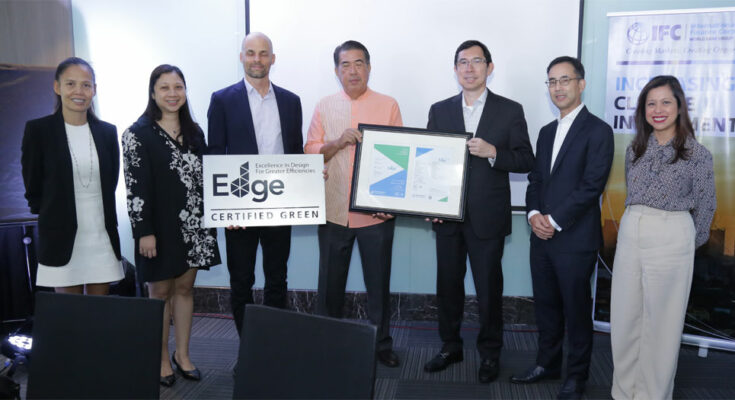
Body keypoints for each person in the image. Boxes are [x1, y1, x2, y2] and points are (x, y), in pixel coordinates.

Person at [422, 40, 534, 383]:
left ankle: (489, 354)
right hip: (447, 217)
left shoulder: (510, 110)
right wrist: (428, 202)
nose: (469, 68)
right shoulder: (439, 110)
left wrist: (493, 152)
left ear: (489, 67)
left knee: (488, 290)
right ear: (455, 69)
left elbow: (526, 160)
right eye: (462, 62)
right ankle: (450, 346)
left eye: (476, 61)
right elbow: (429, 162)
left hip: (488, 217)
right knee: (448, 286)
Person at [512, 56, 614, 400]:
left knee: (576, 310)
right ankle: (547, 364)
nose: (558, 87)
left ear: (581, 84)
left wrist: (553, 221)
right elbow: (536, 179)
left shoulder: (599, 130)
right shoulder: (546, 132)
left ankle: (576, 376)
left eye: (565, 80)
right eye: (552, 81)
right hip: (541, 237)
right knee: (546, 306)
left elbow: (591, 185)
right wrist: (533, 214)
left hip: (575, 239)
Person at [610, 75, 715, 400]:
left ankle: (652, 394)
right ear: (643, 110)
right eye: (651, 103)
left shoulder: (697, 154)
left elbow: (706, 207)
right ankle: (623, 392)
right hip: (632, 231)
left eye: (666, 102)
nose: (658, 110)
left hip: (672, 237)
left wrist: (682, 243)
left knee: (662, 325)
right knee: (625, 319)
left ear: (679, 106)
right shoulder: (634, 150)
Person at [304, 40, 402, 367]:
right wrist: (336, 142)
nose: (353, 71)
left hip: (376, 214)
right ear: (336, 71)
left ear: (369, 68)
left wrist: (391, 203)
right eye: (345, 65)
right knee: (329, 286)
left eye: (359, 63)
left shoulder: (388, 105)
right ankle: (327, 344)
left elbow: (399, 155)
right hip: (334, 210)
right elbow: (311, 150)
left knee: (378, 285)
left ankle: (381, 345)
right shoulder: (324, 105)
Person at [122, 64, 221, 387]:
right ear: (153, 93)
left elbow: (210, 177)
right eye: (164, 87)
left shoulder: (195, 132)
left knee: (185, 290)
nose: (172, 93)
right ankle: (162, 359)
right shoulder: (137, 134)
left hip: (195, 226)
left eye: (178, 87)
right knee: (160, 294)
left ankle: (184, 355)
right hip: (158, 230)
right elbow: (136, 188)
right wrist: (144, 232)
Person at [207, 32, 303, 336]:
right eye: (251, 53)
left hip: (279, 206)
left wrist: (309, 179)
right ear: (241, 57)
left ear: (273, 58)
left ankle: (270, 347)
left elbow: (296, 153)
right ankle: (248, 347)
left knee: (277, 279)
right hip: (239, 209)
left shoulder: (291, 102)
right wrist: (225, 208)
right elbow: (214, 155)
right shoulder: (222, 100)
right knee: (241, 281)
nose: (257, 59)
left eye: (263, 53)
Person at [21, 57, 123, 295]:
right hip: (60, 236)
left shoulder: (107, 132)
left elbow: (111, 181)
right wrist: (51, 213)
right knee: (69, 312)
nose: (79, 91)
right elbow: (32, 183)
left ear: (94, 90)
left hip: (101, 235)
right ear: (57, 87)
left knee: (99, 310)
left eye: (86, 85)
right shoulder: (39, 131)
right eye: (70, 84)